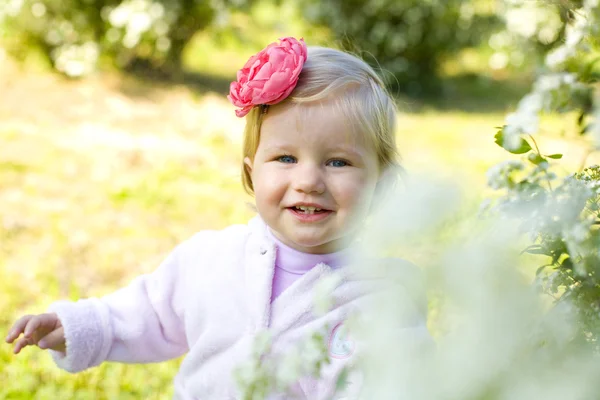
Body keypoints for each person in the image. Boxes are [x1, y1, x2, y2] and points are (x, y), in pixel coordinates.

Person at [5, 37, 429, 399]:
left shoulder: (376, 302)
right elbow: (150, 312)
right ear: (251, 172)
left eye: (337, 162)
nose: (308, 181)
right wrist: (76, 326)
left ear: (382, 186)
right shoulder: (212, 259)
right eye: (285, 158)